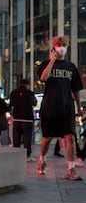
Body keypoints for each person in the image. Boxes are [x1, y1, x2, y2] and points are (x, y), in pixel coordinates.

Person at [36, 36, 83, 180]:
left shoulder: (71, 67)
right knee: (47, 138)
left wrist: (79, 107)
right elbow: (43, 78)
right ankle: (42, 159)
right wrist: (52, 60)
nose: (61, 47)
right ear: (54, 47)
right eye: (58, 44)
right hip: (50, 107)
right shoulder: (45, 63)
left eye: (64, 45)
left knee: (70, 137)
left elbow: (76, 89)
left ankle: (71, 169)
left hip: (67, 108)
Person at [9, 79, 37, 161]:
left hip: (17, 119)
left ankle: (16, 155)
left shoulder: (13, 92)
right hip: (27, 119)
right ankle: (27, 156)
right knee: (27, 139)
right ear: (27, 85)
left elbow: (10, 104)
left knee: (16, 139)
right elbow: (34, 103)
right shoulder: (30, 93)